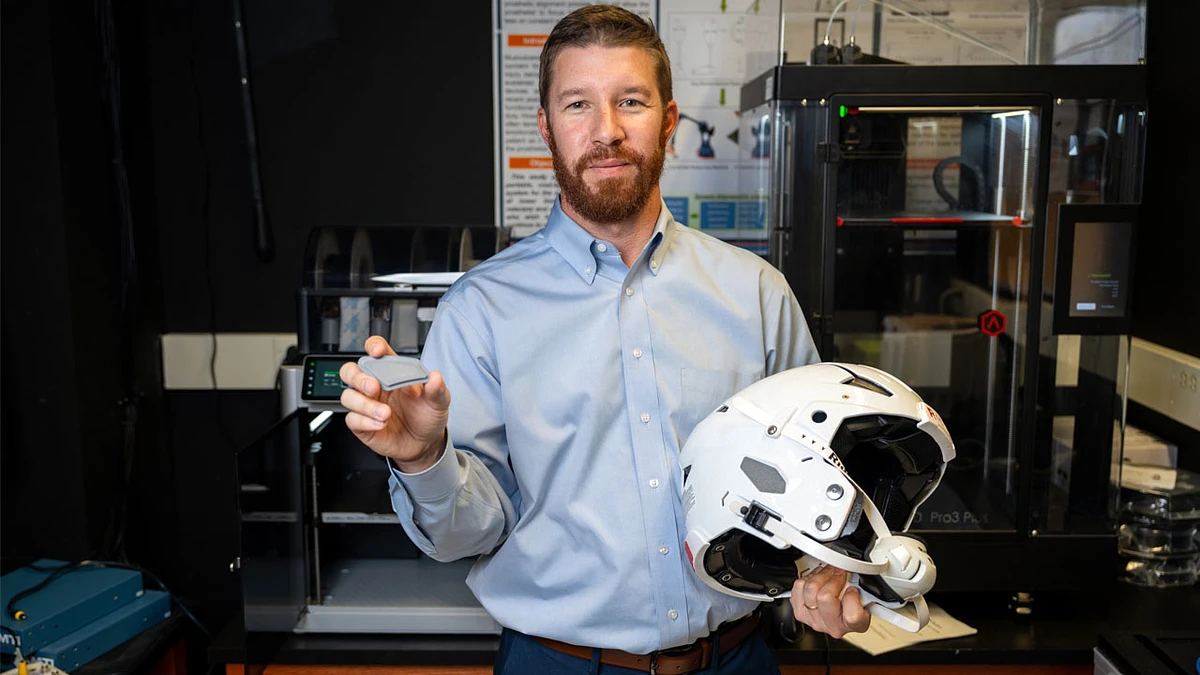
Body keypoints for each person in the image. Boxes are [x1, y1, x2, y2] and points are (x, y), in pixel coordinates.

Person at [339, 5, 869, 673]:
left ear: (669, 123)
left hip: (737, 658)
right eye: (578, 105)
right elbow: (462, 536)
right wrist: (423, 458)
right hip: (556, 662)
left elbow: (824, 477)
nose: (607, 131)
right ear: (546, 129)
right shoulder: (480, 310)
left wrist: (833, 572)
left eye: (631, 102)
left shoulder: (757, 295)